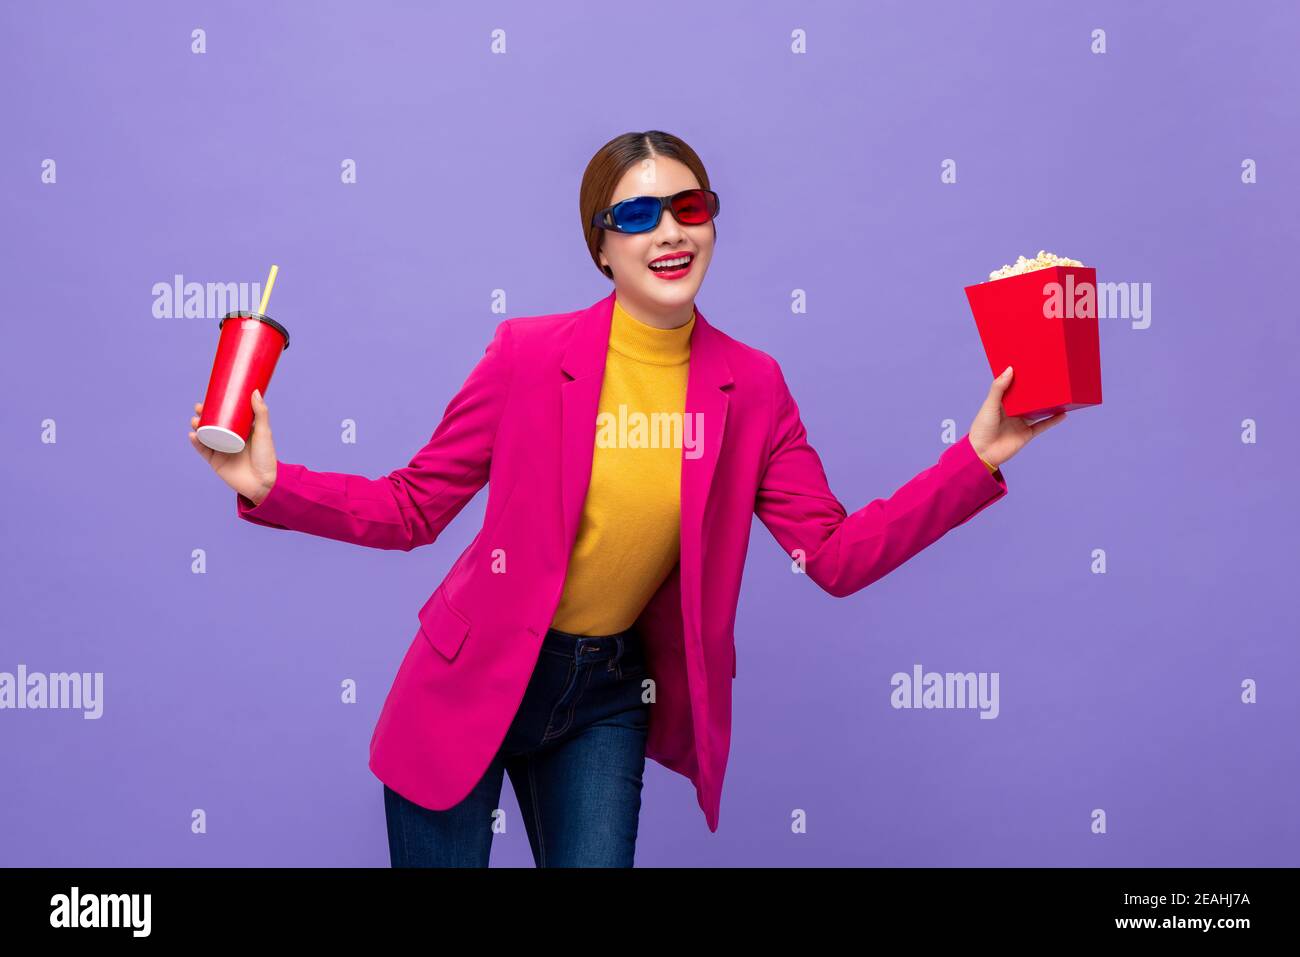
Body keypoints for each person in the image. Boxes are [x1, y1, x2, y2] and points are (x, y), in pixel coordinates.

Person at [187, 130, 1065, 867]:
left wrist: (979, 454)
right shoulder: (528, 356)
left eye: (690, 207)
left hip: (604, 692)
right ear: (601, 245)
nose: (669, 232)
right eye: (636, 215)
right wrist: (272, 485)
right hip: (467, 675)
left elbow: (832, 555)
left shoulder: (752, 388)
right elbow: (413, 506)